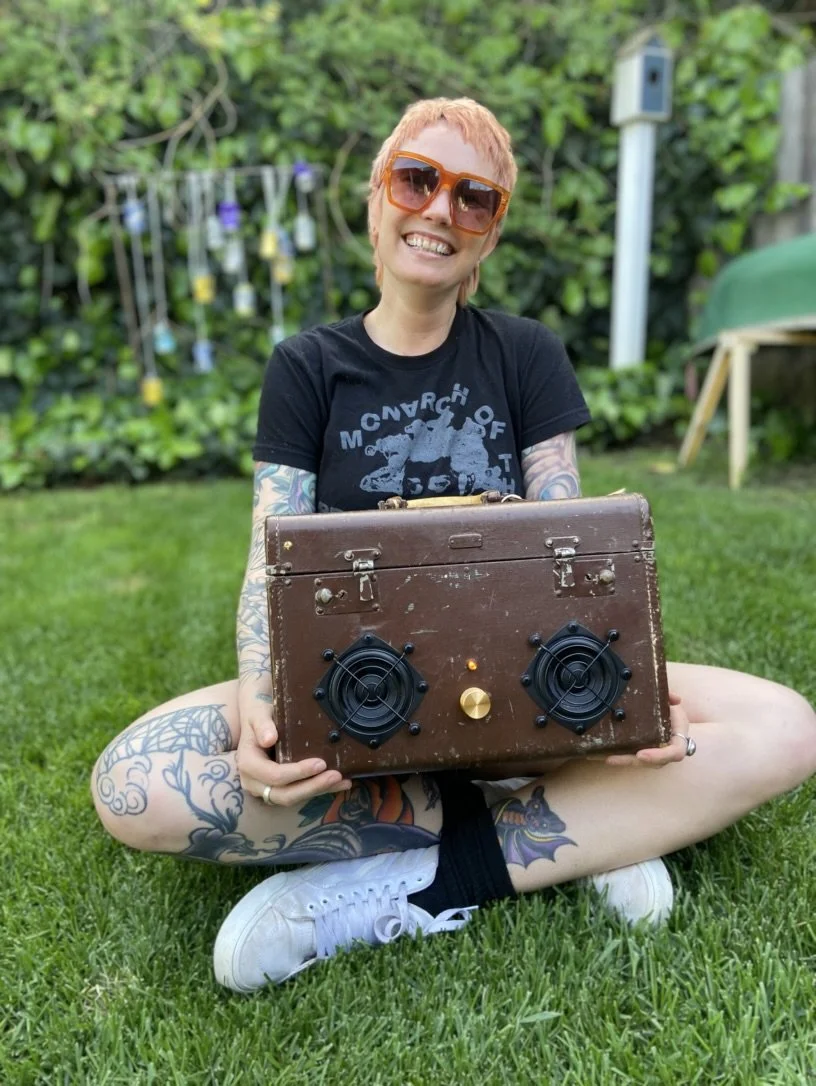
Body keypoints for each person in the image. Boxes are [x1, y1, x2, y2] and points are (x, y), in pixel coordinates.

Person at [91, 97, 816, 993]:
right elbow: (266, 558)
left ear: (491, 234)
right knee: (130, 781)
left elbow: (573, 560)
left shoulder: (526, 354)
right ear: (376, 198)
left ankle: (428, 877)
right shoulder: (307, 367)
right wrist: (257, 697)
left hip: (527, 711)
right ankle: (588, 832)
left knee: (786, 727)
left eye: (476, 198)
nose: (440, 210)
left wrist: (621, 701)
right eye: (417, 179)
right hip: (358, 705)